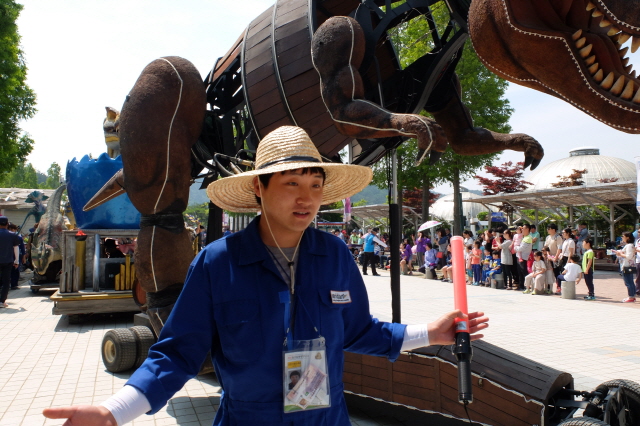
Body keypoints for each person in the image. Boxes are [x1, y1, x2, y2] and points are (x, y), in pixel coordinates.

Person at [43, 126, 489, 426]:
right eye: (291, 184)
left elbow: (359, 331)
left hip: (327, 419)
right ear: (259, 187)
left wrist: (430, 333)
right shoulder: (218, 263)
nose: (307, 199)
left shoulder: (335, 254)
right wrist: (115, 411)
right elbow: (177, 354)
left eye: (315, 185)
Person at [0, 216, 21, 308]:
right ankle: (2, 301)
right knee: (6, 281)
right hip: (8, 261)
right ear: (7, 224)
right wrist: (16, 261)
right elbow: (16, 248)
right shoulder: (12, 235)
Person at [616, 232, 637, 303]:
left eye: (623, 236)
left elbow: (629, 256)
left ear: (627, 237)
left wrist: (620, 254)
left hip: (627, 266)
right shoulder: (629, 245)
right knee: (630, 282)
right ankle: (632, 296)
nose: (622, 237)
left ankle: (631, 297)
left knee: (628, 282)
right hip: (628, 265)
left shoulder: (629, 246)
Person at [515, 224, 533, 290]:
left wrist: (515, 247)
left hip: (524, 258)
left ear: (527, 229)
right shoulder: (524, 237)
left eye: (523, 228)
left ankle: (526, 286)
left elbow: (521, 248)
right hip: (520, 257)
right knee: (520, 272)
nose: (522, 229)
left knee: (524, 272)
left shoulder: (528, 238)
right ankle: (521, 286)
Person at [7, 223, 25, 289]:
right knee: (8, 271)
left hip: (16, 256)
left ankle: (14, 284)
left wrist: (23, 256)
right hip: (8, 256)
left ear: (15, 230)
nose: (11, 230)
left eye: (13, 229)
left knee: (16, 270)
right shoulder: (7, 237)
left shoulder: (19, 238)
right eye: (10, 229)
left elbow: (22, 248)